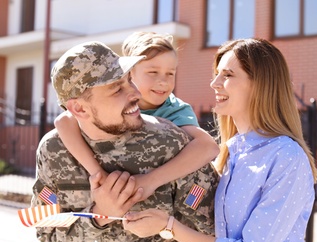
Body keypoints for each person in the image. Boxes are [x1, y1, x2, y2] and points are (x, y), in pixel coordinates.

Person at [122, 38, 317, 242]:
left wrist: (168, 226)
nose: (214, 83)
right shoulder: (230, 152)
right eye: (217, 73)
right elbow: (201, 210)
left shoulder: (286, 158)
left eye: (227, 75)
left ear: (260, 84)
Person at [31, 41, 218, 242]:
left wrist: (167, 225)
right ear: (79, 108)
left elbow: (215, 232)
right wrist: (100, 216)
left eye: (129, 80)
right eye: (117, 89)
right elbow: (48, 234)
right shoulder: (52, 152)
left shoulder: (170, 143)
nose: (136, 93)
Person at [54, 32, 219, 201]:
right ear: (129, 73)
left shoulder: (175, 110)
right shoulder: (117, 104)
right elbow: (63, 121)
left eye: (171, 73)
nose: (163, 81)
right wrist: (97, 172)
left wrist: (151, 180)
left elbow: (208, 147)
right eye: (153, 72)